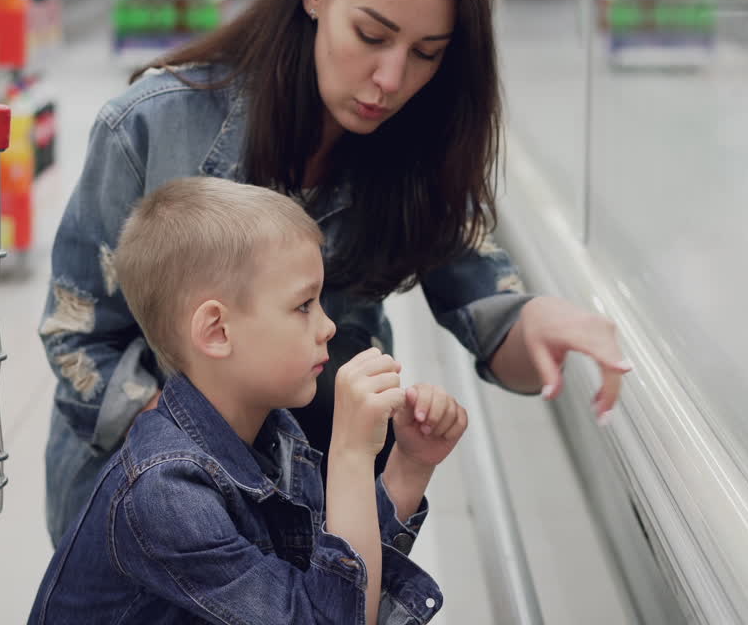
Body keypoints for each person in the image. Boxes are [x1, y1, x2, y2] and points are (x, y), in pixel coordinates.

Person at [40, 0, 630, 544]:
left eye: (426, 54)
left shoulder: (419, 151)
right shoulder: (151, 127)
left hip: (312, 501)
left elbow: (496, 321)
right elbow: (77, 334)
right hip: (148, 500)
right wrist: (202, 446)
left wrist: (536, 320)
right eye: (372, 36)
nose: (390, 79)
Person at [28, 177, 464, 624]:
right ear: (217, 330)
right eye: (304, 305)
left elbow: (338, 590)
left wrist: (409, 467)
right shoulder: (165, 492)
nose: (328, 326)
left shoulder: (275, 434)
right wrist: (351, 453)